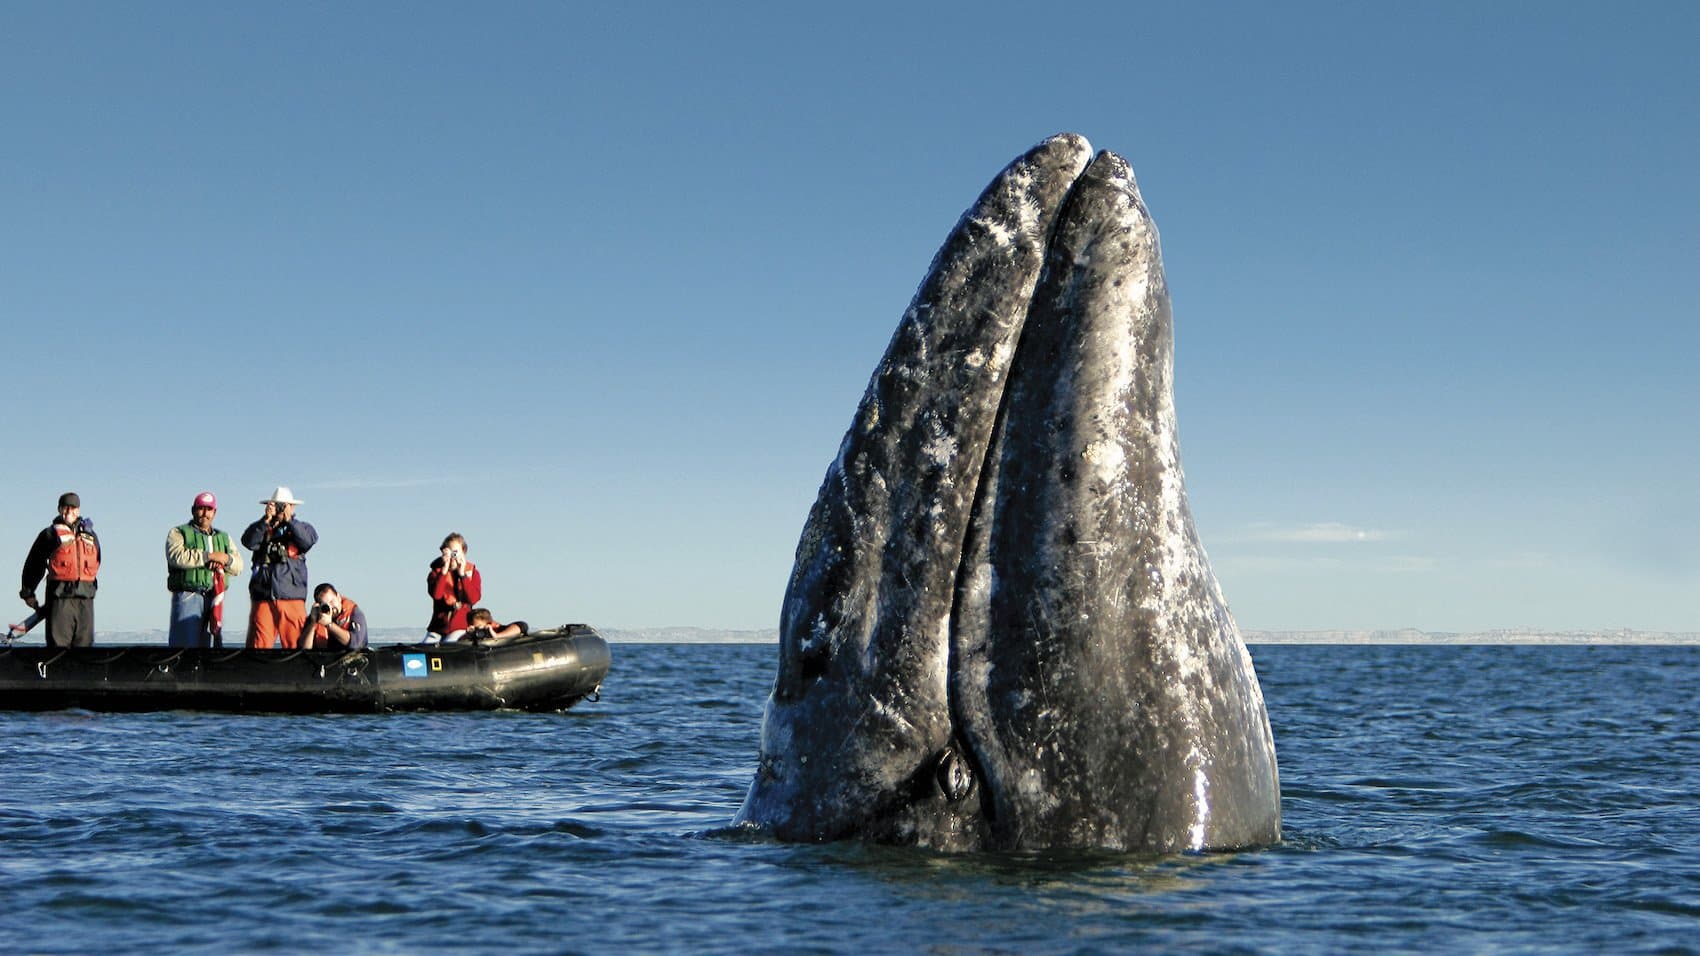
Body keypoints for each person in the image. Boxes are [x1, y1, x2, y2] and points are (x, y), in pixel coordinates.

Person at [18, 492, 101, 647]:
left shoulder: (90, 535)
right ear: (59, 509)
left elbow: (97, 561)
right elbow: (34, 563)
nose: (69, 512)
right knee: (58, 649)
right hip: (59, 600)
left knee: (85, 650)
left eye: (73, 508)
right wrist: (28, 592)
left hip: (85, 601)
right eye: (65, 508)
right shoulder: (49, 534)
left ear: (78, 510)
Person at [240, 486, 318, 649]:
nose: (281, 509)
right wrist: (265, 521)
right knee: (258, 646)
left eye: (284, 505)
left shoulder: (303, 528)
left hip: (291, 596)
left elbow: (307, 541)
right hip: (263, 596)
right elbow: (248, 541)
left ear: (292, 507)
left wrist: (289, 521)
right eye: (278, 505)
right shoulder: (262, 528)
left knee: (296, 646)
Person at [165, 491, 245, 648]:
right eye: (201, 508)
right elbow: (176, 556)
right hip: (188, 596)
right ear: (193, 510)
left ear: (214, 512)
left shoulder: (224, 538)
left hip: (215, 598)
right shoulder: (178, 533)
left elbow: (239, 566)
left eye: (209, 509)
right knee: (183, 647)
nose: (205, 513)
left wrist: (225, 559)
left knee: (210, 650)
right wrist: (208, 556)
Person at [426, 532, 482, 640]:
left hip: (461, 626)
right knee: (426, 646)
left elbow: (473, 599)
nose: (453, 557)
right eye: (449, 552)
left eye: (455, 552)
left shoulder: (472, 573)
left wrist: (462, 575)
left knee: (450, 644)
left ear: (463, 552)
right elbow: (436, 595)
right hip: (439, 626)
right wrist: (444, 571)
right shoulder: (435, 574)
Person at [300, 583, 368, 650]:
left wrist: (329, 625)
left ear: (338, 597)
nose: (330, 607)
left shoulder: (355, 613)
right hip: (324, 658)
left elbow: (356, 643)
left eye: (332, 601)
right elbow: (304, 649)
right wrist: (312, 623)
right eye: (326, 604)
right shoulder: (316, 616)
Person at [460, 607, 528, 644]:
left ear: (491, 624)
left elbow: (522, 626)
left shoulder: (502, 630)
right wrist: (467, 635)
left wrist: (497, 636)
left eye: (479, 627)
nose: (478, 630)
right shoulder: (472, 636)